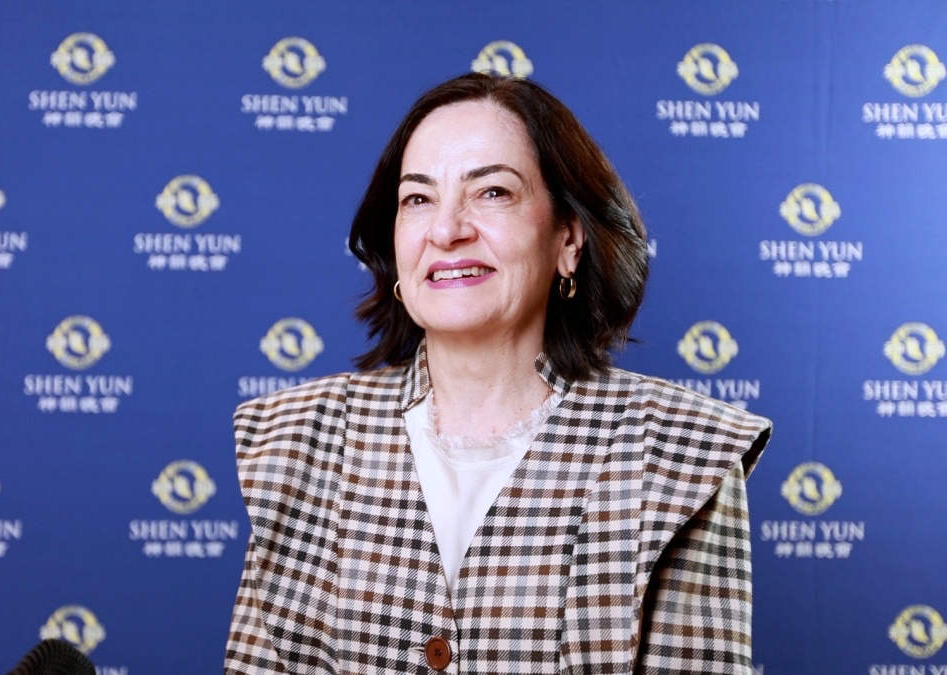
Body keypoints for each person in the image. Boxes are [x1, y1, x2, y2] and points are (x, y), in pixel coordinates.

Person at [226, 72, 771, 674]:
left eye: (492, 192)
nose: (446, 230)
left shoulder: (679, 457)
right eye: (418, 199)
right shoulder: (294, 440)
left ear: (568, 239)